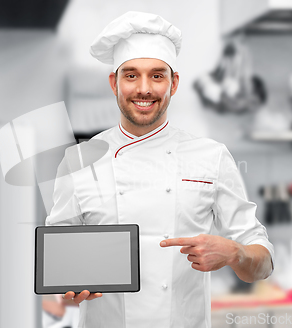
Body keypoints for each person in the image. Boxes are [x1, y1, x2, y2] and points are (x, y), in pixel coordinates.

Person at [45, 11, 274, 328]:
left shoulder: (211, 156)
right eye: (130, 75)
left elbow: (263, 263)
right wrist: (67, 291)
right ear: (114, 83)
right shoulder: (79, 160)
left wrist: (236, 253)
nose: (144, 89)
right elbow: (58, 272)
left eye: (157, 75)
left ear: (174, 83)